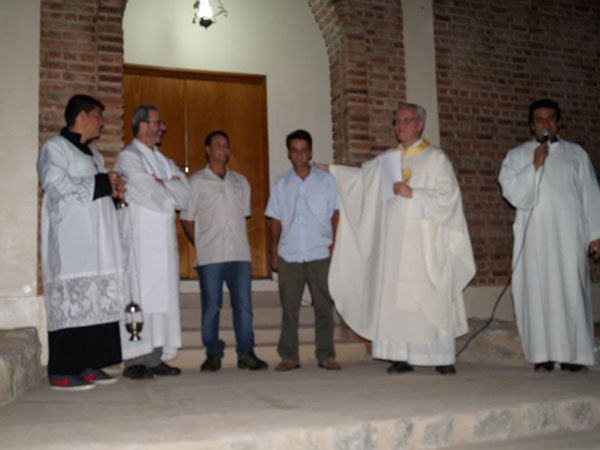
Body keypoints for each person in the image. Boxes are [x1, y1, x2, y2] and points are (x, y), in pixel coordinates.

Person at [317, 103, 475, 375]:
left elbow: (449, 198)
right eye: (397, 121)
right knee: (395, 298)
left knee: (430, 296)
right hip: (394, 244)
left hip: (424, 244)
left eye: (406, 120)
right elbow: (363, 179)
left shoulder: (436, 159)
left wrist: (414, 193)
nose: (400, 126)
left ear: (420, 125)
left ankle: (440, 356)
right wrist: (334, 171)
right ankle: (400, 356)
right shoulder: (387, 160)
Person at [498, 98, 600, 372]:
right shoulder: (517, 155)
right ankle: (542, 354)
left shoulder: (576, 154)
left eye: (551, 118)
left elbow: (591, 193)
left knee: (571, 291)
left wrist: (596, 234)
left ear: (558, 122)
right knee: (537, 291)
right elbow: (511, 191)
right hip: (535, 239)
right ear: (532, 125)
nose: (546, 124)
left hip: (569, 236)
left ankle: (572, 356)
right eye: (540, 120)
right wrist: (534, 165)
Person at [38, 94, 126, 390]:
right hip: (71, 242)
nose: (102, 123)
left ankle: (88, 364)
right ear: (82, 116)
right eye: (98, 116)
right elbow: (54, 183)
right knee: (72, 303)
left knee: (95, 302)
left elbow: (94, 194)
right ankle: (62, 371)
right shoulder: (55, 147)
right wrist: (102, 184)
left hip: (97, 243)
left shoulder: (94, 156)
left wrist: (113, 194)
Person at [181, 131, 268, 372]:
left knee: (244, 306)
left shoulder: (240, 182)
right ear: (207, 149)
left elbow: (244, 215)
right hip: (211, 256)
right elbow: (187, 218)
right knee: (211, 307)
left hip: (239, 254)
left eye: (226, 146)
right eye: (218, 145)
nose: (224, 149)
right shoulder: (196, 182)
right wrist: (201, 243)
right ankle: (213, 353)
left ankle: (246, 353)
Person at [115, 105, 189, 379]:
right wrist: (169, 186)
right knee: (139, 295)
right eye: (158, 123)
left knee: (162, 296)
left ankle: (155, 357)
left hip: (164, 241)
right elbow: (145, 189)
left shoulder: (163, 160)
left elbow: (186, 193)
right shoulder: (128, 157)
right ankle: (135, 359)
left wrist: (164, 184)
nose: (163, 128)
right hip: (140, 239)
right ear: (142, 125)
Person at [265, 130, 341, 371]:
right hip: (290, 254)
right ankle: (289, 356)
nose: (299, 155)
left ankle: (326, 355)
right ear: (289, 153)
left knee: (324, 306)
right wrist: (273, 249)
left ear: (310, 153)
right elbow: (275, 218)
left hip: (320, 253)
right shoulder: (281, 184)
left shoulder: (326, 181)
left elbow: (336, 213)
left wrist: (335, 244)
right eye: (294, 150)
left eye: (303, 150)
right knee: (290, 309)